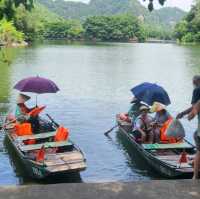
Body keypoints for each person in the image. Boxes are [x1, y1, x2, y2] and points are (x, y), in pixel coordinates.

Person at [177, 75, 200, 179]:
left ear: (196, 81)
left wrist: (187, 115)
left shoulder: (197, 90)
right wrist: (183, 113)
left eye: (193, 82)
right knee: (195, 135)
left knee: (198, 147)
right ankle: (195, 161)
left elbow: (194, 108)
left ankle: (195, 176)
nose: (193, 84)